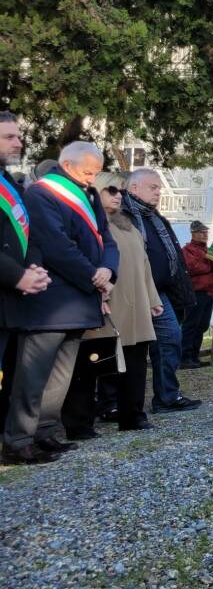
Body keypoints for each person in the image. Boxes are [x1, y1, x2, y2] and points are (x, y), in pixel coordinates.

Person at [2, 142, 118, 465]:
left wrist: (109, 268)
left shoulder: (90, 195)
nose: (92, 179)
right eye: (88, 171)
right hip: (51, 301)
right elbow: (56, 246)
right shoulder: (42, 195)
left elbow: (106, 239)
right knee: (33, 375)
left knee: (61, 375)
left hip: (80, 300)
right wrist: (93, 275)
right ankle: (18, 439)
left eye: (96, 172)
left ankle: (44, 432)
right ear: (67, 165)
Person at [65, 171, 160, 437]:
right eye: (112, 190)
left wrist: (153, 299)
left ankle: (132, 415)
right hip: (105, 305)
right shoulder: (85, 224)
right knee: (90, 366)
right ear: (95, 191)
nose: (119, 196)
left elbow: (144, 266)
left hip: (136, 306)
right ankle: (79, 423)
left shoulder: (128, 226)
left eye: (121, 191)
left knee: (135, 363)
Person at [123, 168, 200, 413]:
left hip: (160, 292)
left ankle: (167, 397)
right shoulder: (123, 215)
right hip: (132, 292)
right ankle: (115, 404)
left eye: (159, 187)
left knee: (170, 339)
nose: (159, 192)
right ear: (134, 188)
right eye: (153, 187)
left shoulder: (154, 217)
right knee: (128, 349)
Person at [0, 114, 51, 445]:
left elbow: (26, 234)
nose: (19, 142)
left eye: (19, 136)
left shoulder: (9, 184)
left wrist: (34, 267)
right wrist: (18, 275)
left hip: (12, 300)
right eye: (9, 137)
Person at [180, 221, 213, 369]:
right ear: (193, 233)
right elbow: (192, 267)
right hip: (196, 291)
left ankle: (194, 356)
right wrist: (211, 265)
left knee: (202, 325)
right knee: (191, 325)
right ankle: (184, 357)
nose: (205, 234)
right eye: (201, 232)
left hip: (209, 291)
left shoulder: (207, 251)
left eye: (206, 232)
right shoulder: (187, 250)